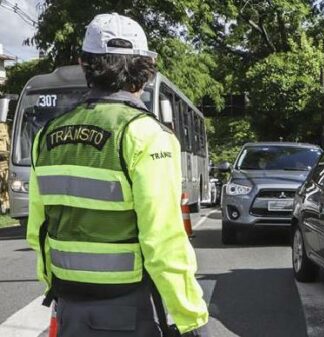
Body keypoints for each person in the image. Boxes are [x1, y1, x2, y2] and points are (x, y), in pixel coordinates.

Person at [26, 13, 208, 337]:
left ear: (84, 65)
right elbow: (163, 240)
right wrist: (190, 318)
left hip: (69, 305)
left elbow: (38, 229)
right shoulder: (146, 135)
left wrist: (57, 288)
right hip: (129, 310)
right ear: (145, 70)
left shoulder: (47, 135)